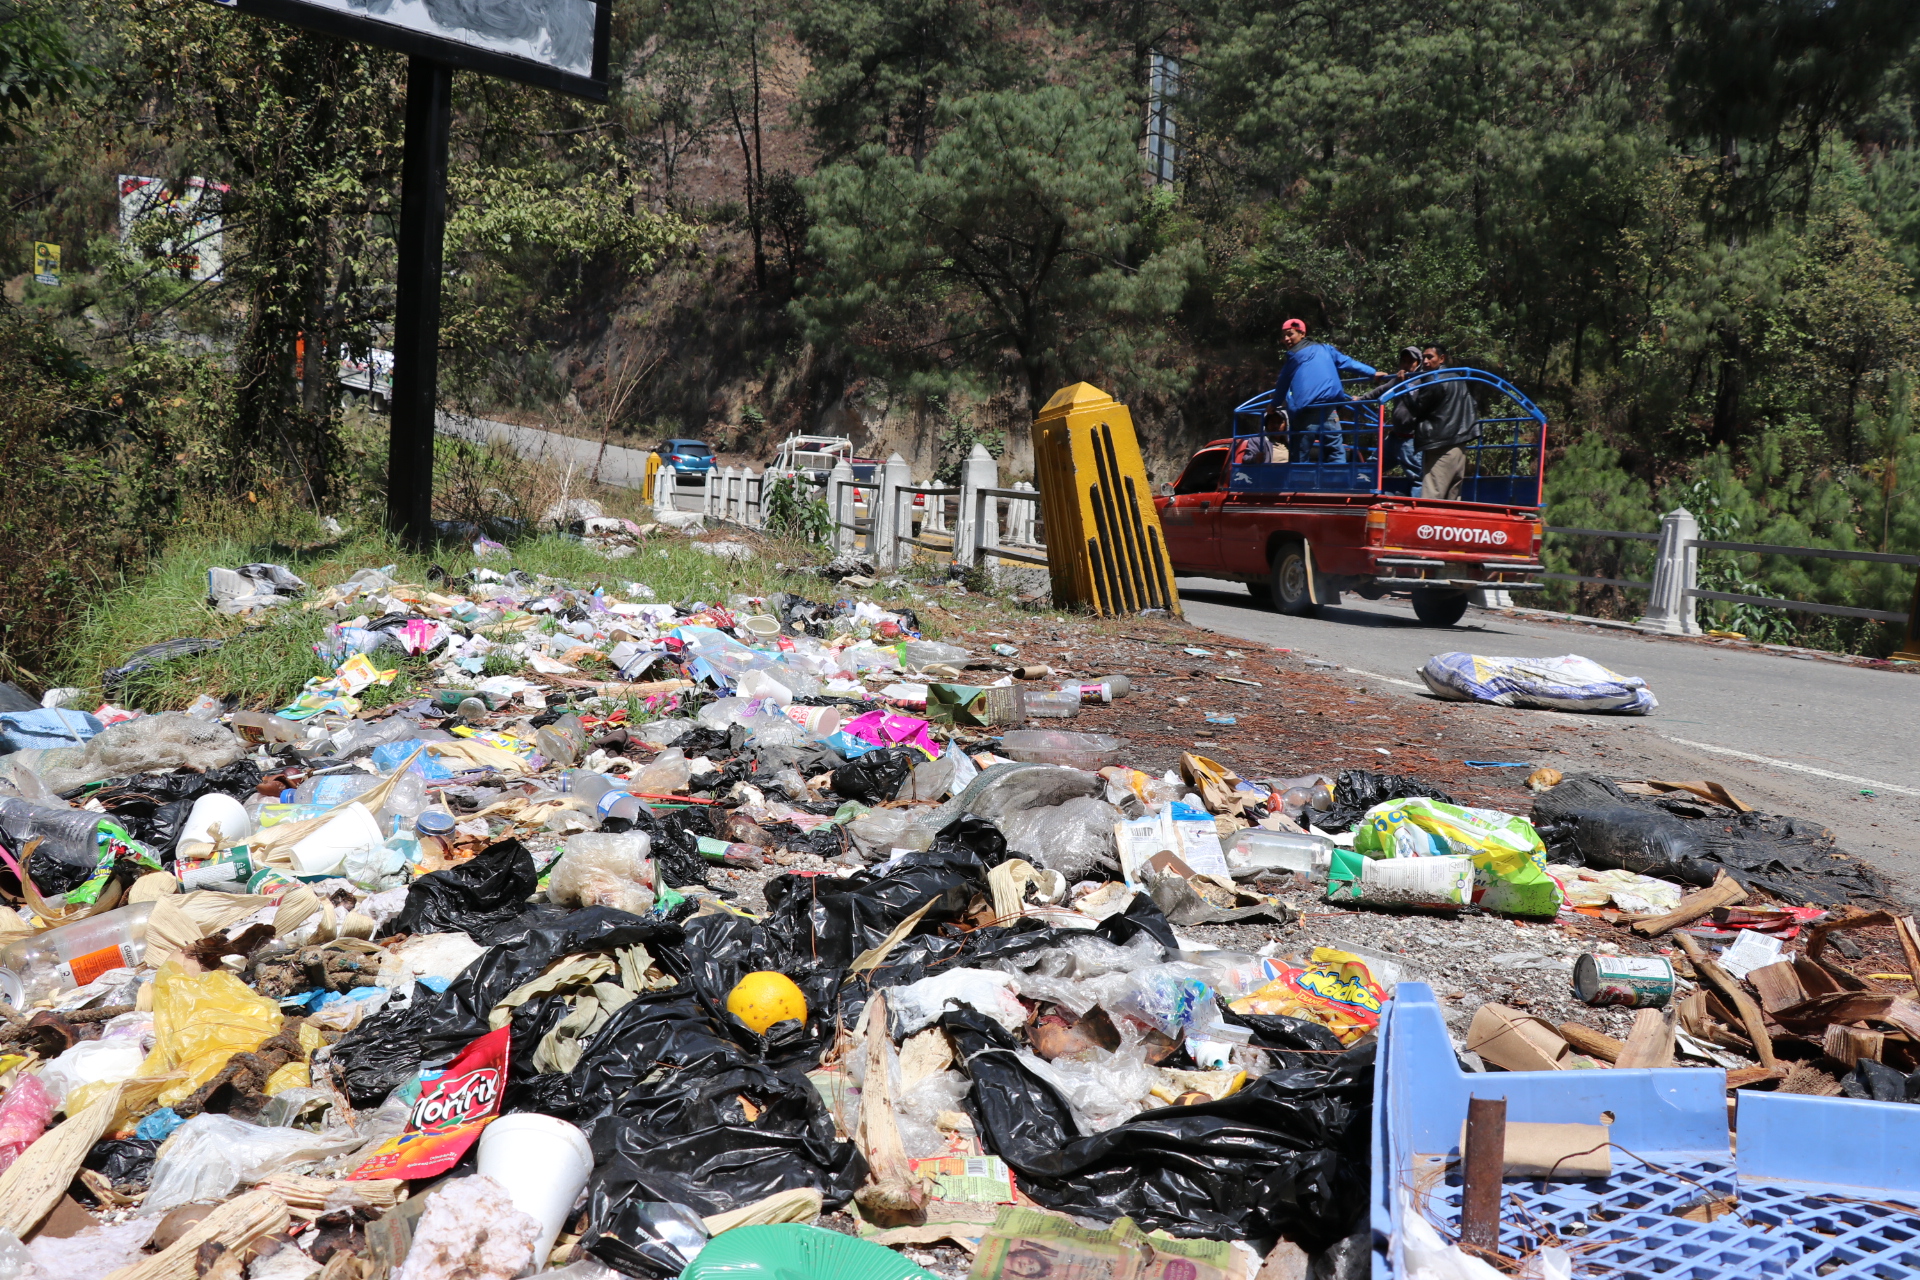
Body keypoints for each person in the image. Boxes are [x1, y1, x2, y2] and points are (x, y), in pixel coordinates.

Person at [1269, 318, 1388, 464]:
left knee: (1300, 453)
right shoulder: (1325, 349)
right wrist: (1372, 373)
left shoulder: (1294, 356)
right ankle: (1338, 477)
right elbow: (1347, 362)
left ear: (1302, 334)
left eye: (1290, 334)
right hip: (1329, 408)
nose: (1286, 339)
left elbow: (1283, 383)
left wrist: (1274, 404)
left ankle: (1300, 478)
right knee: (1335, 450)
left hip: (1308, 411)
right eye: (1284, 336)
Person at [1408, 342, 1479, 500]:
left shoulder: (1434, 379)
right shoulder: (1458, 378)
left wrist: (1404, 390)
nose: (1425, 361)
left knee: (1432, 496)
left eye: (1430, 357)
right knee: (1452, 498)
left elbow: (1417, 409)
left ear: (1441, 358)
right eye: (1423, 357)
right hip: (1459, 445)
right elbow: (1472, 404)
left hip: (1440, 446)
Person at [1382, 345, 1424, 488]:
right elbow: (1381, 391)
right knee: (1371, 467)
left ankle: (1418, 501)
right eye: (1404, 361)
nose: (1406, 365)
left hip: (1411, 438)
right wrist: (1360, 399)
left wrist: (1405, 385)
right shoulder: (1398, 379)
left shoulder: (1423, 380)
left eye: (1411, 362)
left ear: (1418, 363)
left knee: (1417, 477)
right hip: (1395, 437)